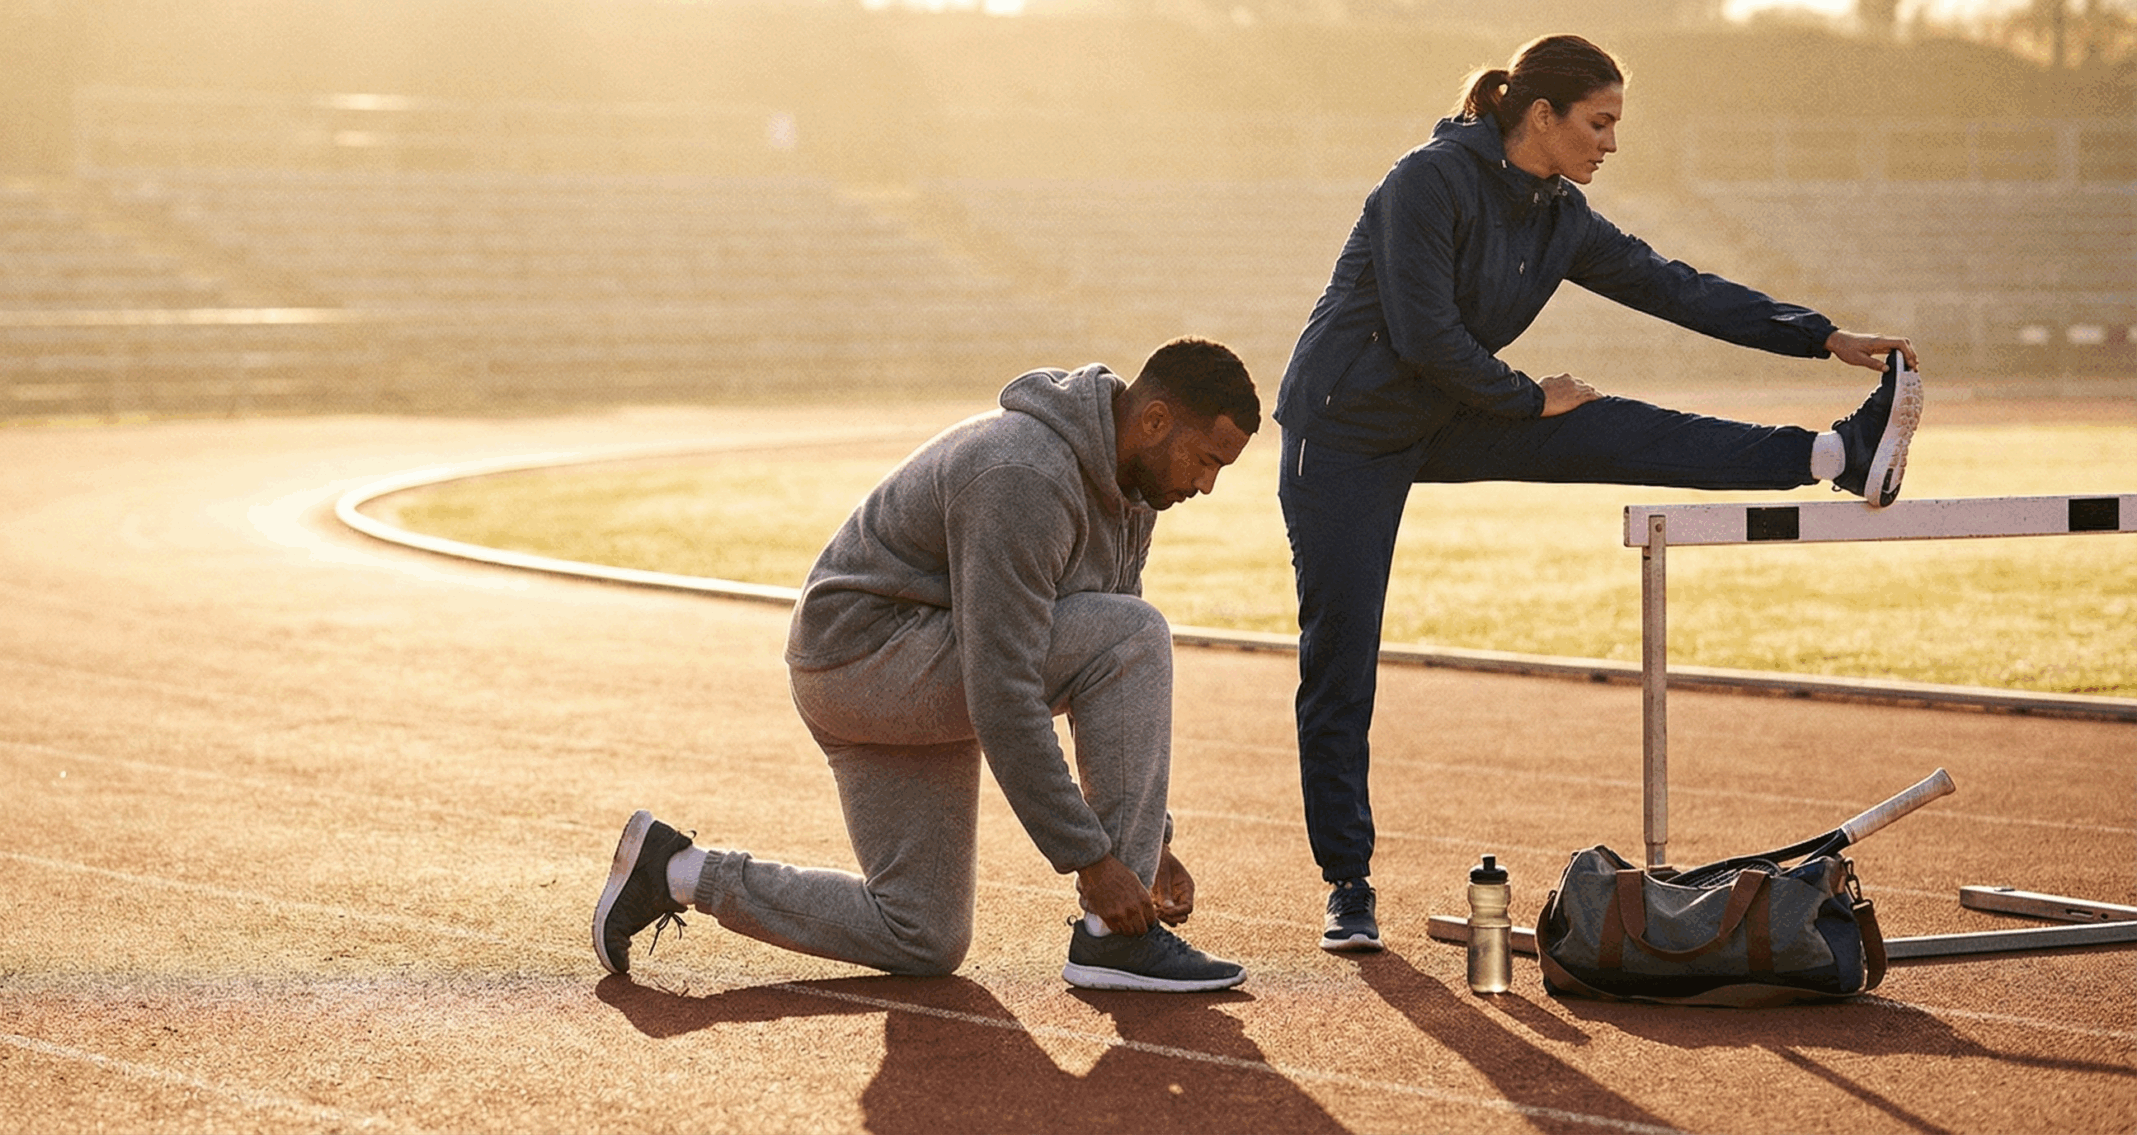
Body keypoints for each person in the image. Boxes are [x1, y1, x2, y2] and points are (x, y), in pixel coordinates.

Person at [1272, 34, 1922, 952]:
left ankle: (1834, 454)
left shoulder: (1559, 214)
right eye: (1599, 122)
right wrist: (1531, 397)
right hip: (1345, 432)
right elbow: (1423, 334)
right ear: (1540, 115)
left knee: (1619, 425)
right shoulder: (1427, 181)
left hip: (1453, 406)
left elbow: (1673, 288)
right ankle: (1348, 883)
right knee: (1342, 653)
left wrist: (1819, 337)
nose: (1611, 143)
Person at [595, 337, 1262, 992]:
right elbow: (1005, 691)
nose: (1205, 485)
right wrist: (1096, 862)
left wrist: (1149, 846)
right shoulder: (1025, 475)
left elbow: (1104, 679)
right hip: (865, 656)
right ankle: (1115, 941)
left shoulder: (1131, 493)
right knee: (1137, 635)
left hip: (895, 670)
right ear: (1154, 419)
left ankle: (676, 869)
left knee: (922, 933)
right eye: (1204, 460)